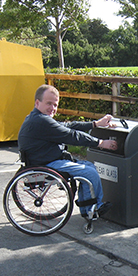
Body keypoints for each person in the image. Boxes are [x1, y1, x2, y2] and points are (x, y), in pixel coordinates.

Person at [18, 84, 118, 219]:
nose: (52, 108)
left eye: (55, 105)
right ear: (37, 103)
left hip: (45, 160)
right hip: (46, 164)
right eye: (49, 103)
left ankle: (87, 208)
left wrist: (95, 124)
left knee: (89, 167)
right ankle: (93, 209)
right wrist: (100, 143)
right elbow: (71, 135)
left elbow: (68, 126)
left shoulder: (36, 118)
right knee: (89, 172)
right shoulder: (41, 121)